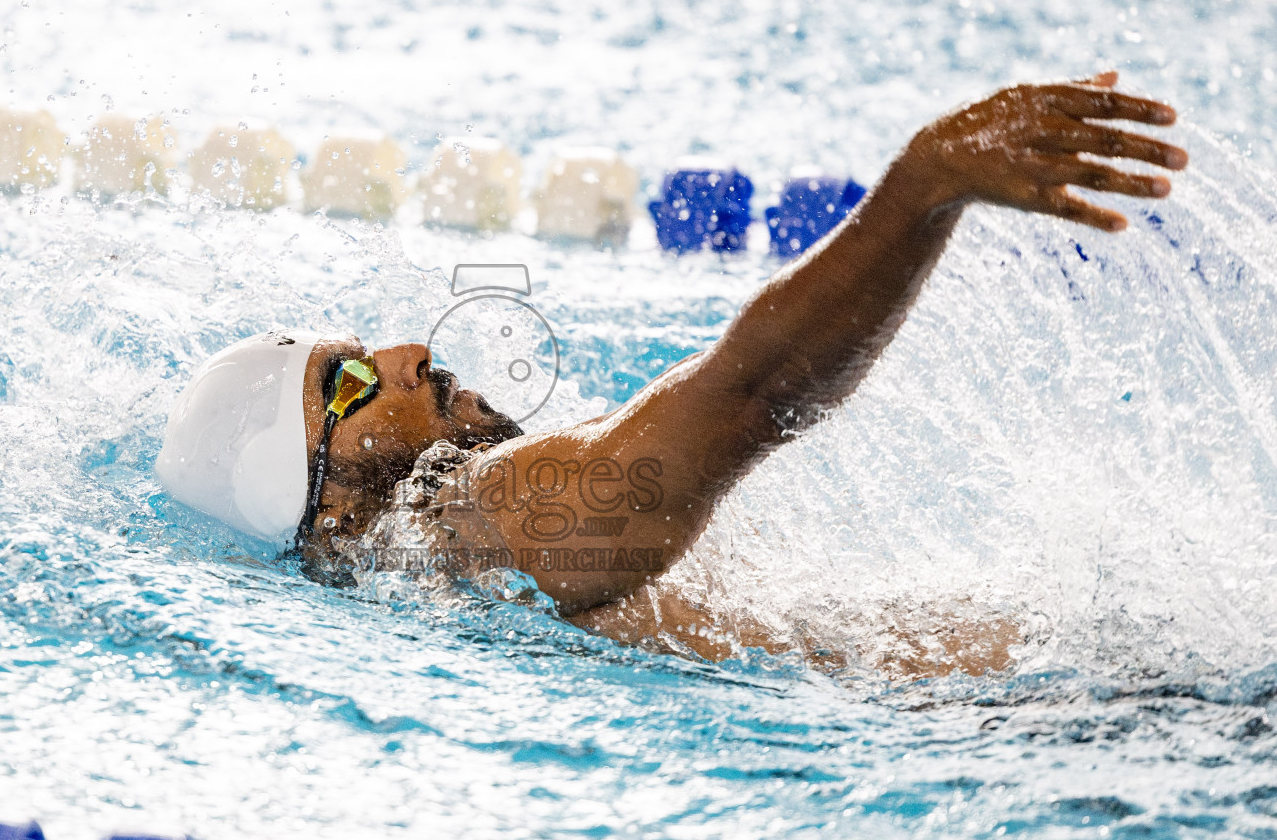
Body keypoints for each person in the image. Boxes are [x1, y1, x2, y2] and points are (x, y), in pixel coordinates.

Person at [156, 73, 1187, 676]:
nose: (405, 356)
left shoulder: (439, 585)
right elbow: (747, 398)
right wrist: (925, 184)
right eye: (345, 388)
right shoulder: (463, 516)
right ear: (327, 511)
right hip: (1040, 725)